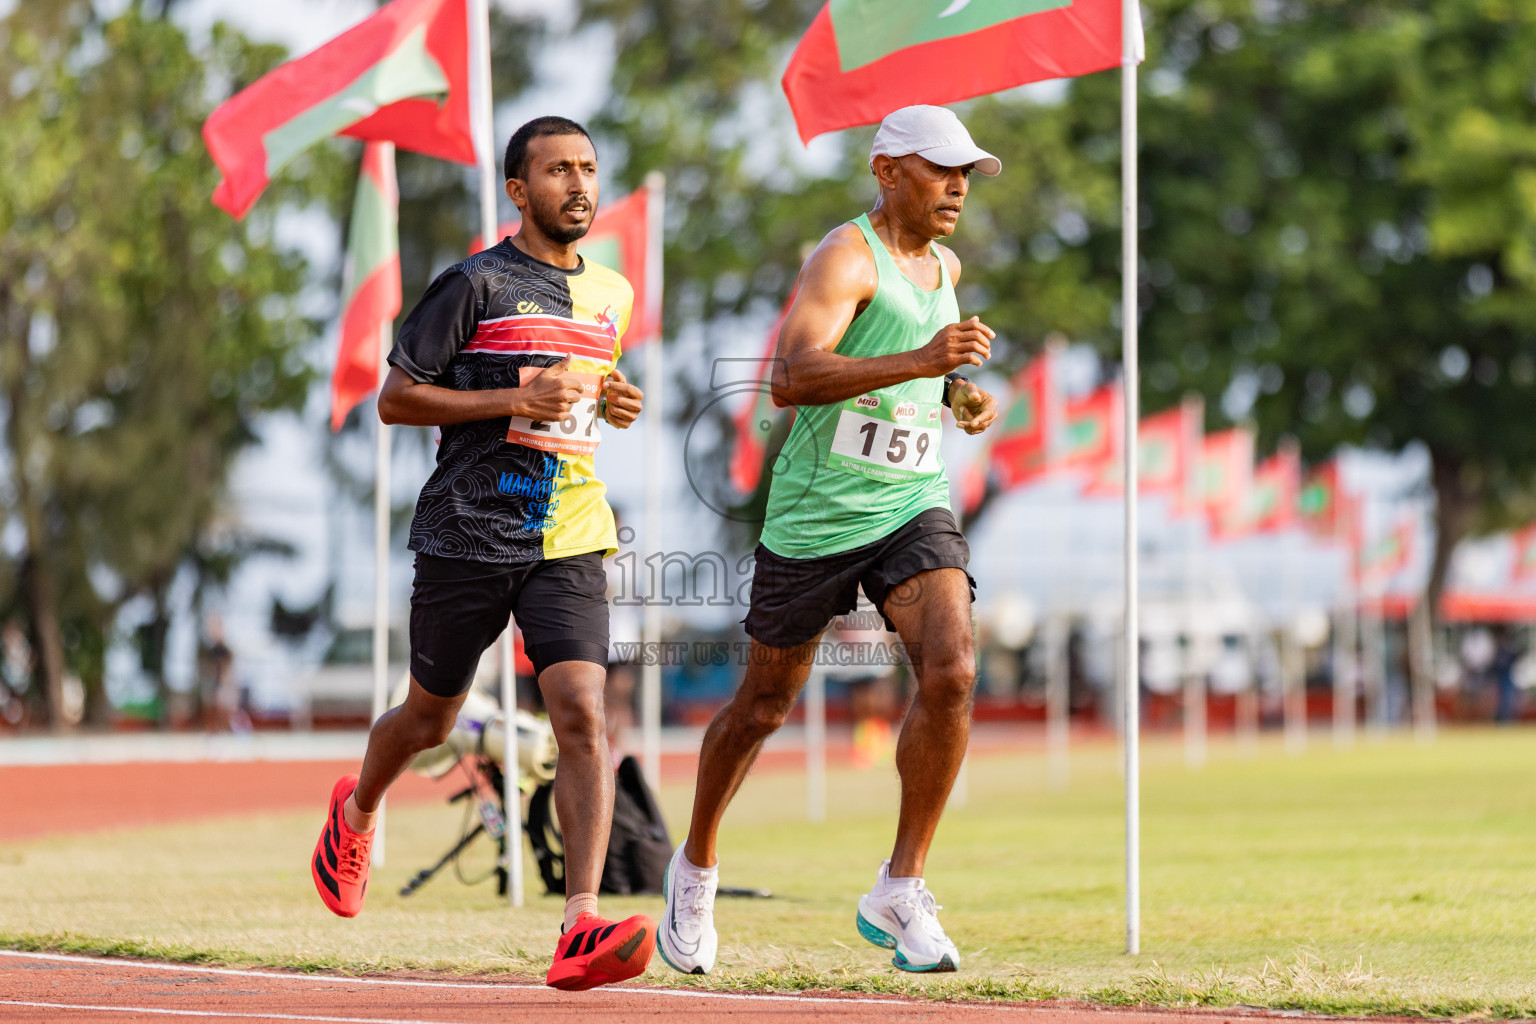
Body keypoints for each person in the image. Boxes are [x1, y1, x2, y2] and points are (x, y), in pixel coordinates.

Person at [310, 116, 655, 992]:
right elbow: (397, 399)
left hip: (570, 528)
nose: (578, 185)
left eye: (587, 167)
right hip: (468, 530)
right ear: (518, 190)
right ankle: (355, 814)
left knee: (582, 712)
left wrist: (608, 401)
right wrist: (516, 399)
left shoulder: (612, 293)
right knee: (428, 721)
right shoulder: (472, 284)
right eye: (556, 171)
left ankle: (578, 924)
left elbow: (579, 389)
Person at [659, 105, 1002, 977]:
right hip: (815, 520)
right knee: (763, 708)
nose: (958, 185)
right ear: (888, 170)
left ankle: (900, 884)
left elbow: (920, 369)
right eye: (941, 168)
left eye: (966, 172)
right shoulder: (846, 257)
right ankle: (694, 865)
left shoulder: (945, 265)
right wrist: (926, 361)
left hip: (911, 505)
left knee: (954, 668)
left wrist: (954, 391)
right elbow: (793, 377)